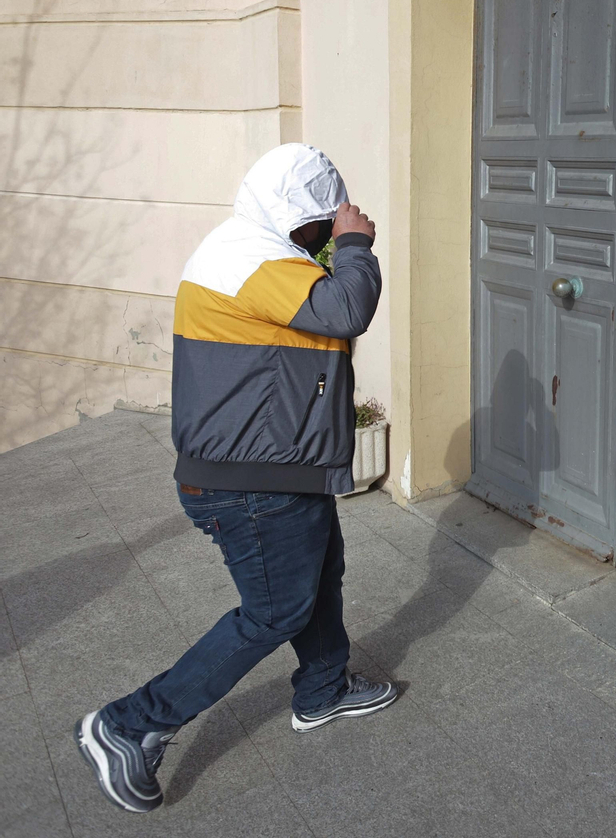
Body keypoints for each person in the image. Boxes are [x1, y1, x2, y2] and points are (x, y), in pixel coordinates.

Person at [76, 144, 394, 814]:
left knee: (319, 572)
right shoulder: (254, 257)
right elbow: (345, 310)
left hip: (273, 468)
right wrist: (357, 243)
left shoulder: (249, 251)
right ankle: (129, 725)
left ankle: (323, 688)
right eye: (319, 225)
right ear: (295, 216)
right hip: (255, 483)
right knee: (273, 610)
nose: (323, 237)